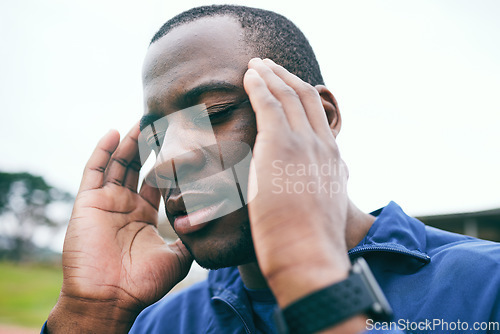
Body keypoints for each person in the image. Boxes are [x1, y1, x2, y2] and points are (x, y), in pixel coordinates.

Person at [43, 5, 500, 334]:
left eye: (215, 111)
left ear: (321, 116)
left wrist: (308, 273)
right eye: (157, 136)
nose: (169, 160)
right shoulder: (159, 324)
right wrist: (90, 313)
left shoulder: (485, 290)